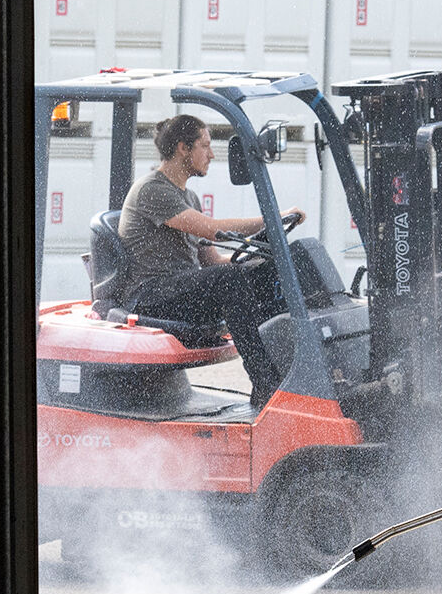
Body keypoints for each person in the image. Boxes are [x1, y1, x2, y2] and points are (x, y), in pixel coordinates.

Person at [112, 113, 305, 403]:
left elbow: (211, 262)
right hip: (150, 295)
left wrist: (256, 262)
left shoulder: (189, 197)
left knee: (265, 271)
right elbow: (212, 230)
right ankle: (266, 384)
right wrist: (274, 218)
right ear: (182, 148)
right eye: (205, 145)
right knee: (230, 279)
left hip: (179, 291)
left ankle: (289, 371)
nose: (212, 154)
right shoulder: (152, 190)